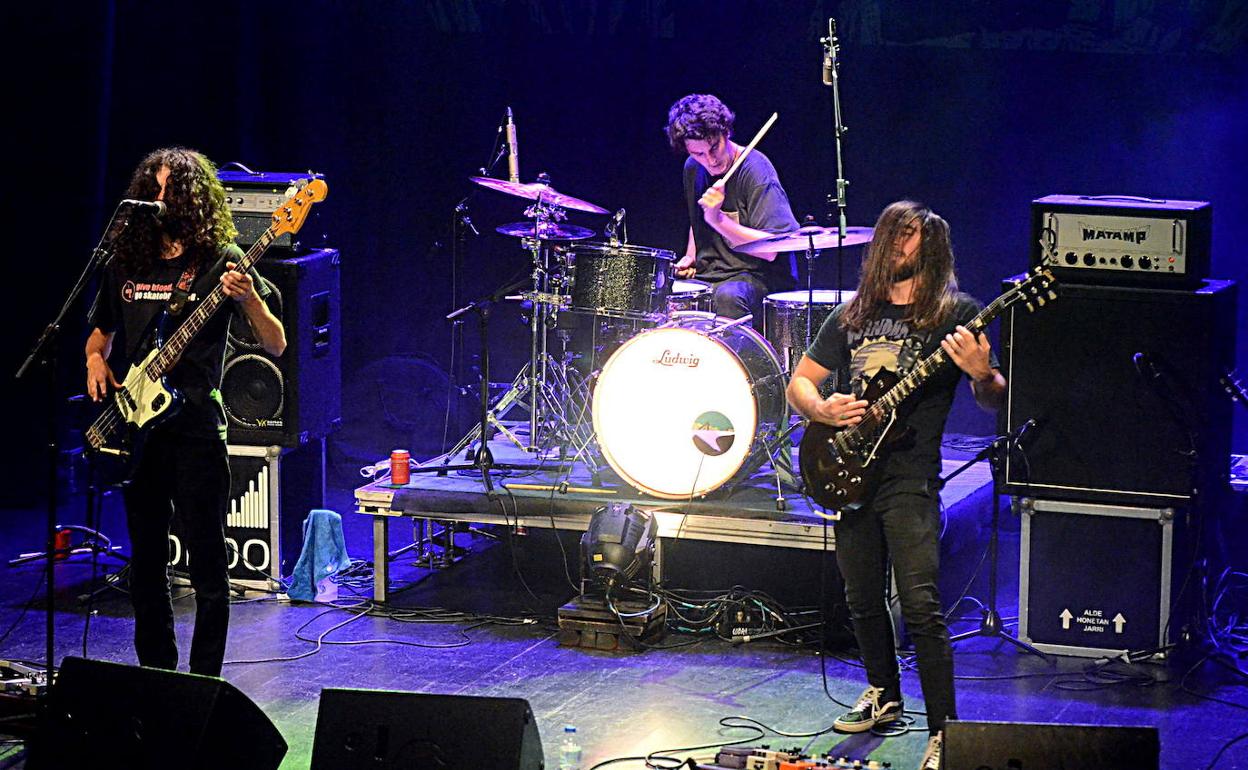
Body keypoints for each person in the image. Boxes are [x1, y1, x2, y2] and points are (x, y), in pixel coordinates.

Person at [785, 201, 1006, 770]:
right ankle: (884, 696)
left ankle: (944, 731)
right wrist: (823, 409)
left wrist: (984, 374)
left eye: (910, 238)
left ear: (930, 249)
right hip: (850, 470)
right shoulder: (854, 314)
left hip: (910, 477)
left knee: (921, 604)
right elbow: (800, 385)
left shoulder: (956, 313)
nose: (898, 247)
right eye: (892, 236)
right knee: (860, 596)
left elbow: (994, 397)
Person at [85, 147, 286, 677]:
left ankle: (203, 684)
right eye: (150, 188)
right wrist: (93, 363)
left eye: (167, 190)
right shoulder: (126, 261)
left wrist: (249, 301)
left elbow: (277, 342)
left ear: (191, 197)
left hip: (196, 429)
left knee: (209, 572)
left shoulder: (222, 259)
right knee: (147, 566)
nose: (156, 199)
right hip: (137, 432)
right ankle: (157, 676)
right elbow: (100, 334)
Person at [665, 94, 798, 323]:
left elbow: (771, 249)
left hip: (758, 277)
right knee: (666, 293)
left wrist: (718, 220)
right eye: (698, 153)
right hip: (711, 274)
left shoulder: (756, 170)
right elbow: (697, 217)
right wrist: (690, 256)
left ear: (726, 132)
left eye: (714, 147)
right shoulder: (693, 168)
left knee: (728, 297)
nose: (710, 160)